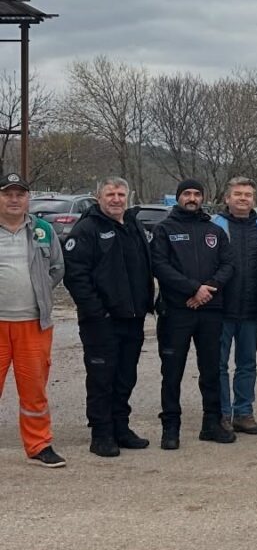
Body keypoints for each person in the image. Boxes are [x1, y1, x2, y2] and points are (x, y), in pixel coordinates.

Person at [63, 176, 154, 457]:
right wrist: (97, 312)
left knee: (125, 377)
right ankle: (101, 434)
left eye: (120, 194)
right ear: (98, 197)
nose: (116, 199)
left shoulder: (133, 225)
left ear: (128, 196)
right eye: (110, 194)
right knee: (102, 379)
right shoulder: (87, 229)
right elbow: (75, 276)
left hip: (133, 318)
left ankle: (120, 428)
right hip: (101, 321)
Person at [150, 178, 235, 449]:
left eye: (197, 194)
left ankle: (211, 424)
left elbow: (228, 264)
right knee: (172, 371)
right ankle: (170, 428)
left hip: (211, 310)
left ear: (202, 198)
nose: (192, 198)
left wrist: (208, 288)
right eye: (187, 193)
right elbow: (160, 266)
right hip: (176, 311)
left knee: (211, 370)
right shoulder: (164, 230)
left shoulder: (214, 231)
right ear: (178, 197)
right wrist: (192, 289)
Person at [0, 173, 65, 468]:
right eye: (7, 194)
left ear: (28, 198)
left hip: (34, 324)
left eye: (20, 194)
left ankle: (39, 445)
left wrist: (40, 291)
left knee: (34, 390)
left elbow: (57, 267)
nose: (14, 200)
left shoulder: (43, 230)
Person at [211, 176, 257, 436]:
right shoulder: (214, 226)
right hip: (220, 310)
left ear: (253, 199)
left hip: (252, 311)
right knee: (218, 365)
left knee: (247, 364)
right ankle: (222, 413)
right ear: (227, 198)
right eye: (238, 194)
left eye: (248, 194)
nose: (243, 198)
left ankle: (243, 413)